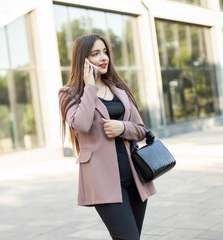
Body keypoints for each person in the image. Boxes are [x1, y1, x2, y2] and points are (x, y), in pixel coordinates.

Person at [58, 34, 157, 240]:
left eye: (105, 52)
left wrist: (122, 127)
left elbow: (140, 129)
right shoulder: (69, 94)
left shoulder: (118, 89)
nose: (104, 58)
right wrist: (90, 86)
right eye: (95, 54)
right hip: (103, 182)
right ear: (82, 59)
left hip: (136, 178)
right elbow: (81, 125)